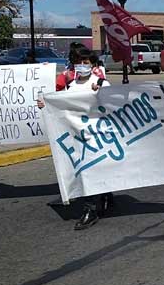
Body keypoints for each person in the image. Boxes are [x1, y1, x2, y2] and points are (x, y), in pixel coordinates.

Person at [38, 47, 111, 230]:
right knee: (84, 170)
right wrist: (45, 104)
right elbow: (62, 105)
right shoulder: (72, 85)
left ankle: (91, 209)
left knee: (89, 171)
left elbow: (112, 106)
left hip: (96, 136)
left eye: (86, 62)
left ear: (93, 65)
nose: (82, 66)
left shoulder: (101, 83)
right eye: (78, 62)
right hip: (78, 136)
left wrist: (100, 93)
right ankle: (105, 194)